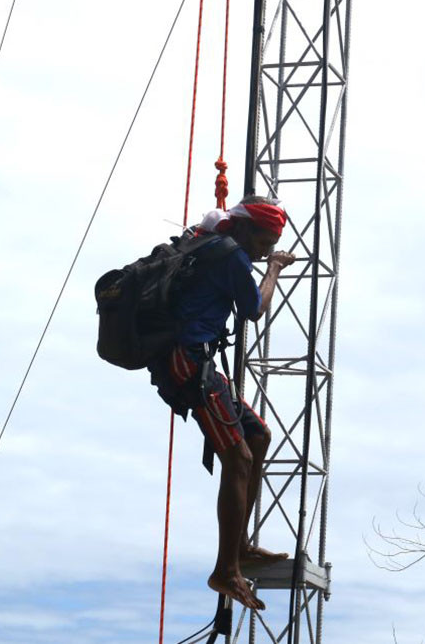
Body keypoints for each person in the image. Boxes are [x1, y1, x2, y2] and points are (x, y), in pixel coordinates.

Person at [147, 195, 296, 611]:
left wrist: (264, 261)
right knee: (240, 458)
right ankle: (225, 570)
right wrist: (274, 270)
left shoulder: (208, 239)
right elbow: (254, 309)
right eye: (264, 242)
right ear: (245, 229)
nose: (264, 250)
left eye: (271, 246)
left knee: (258, 436)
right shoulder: (229, 253)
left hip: (199, 363)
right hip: (188, 364)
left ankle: (240, 546)